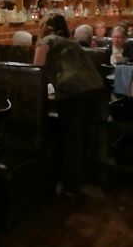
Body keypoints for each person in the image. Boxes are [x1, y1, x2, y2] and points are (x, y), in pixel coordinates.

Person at [33, 14, 105, 194]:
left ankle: (70, 186)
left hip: (72, 90)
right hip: (96, 87)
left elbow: (36, 71)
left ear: (46, 27)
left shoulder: (46, 41)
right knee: (86, 137)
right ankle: (82, 180)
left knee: (72, 138)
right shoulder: (72, 42)